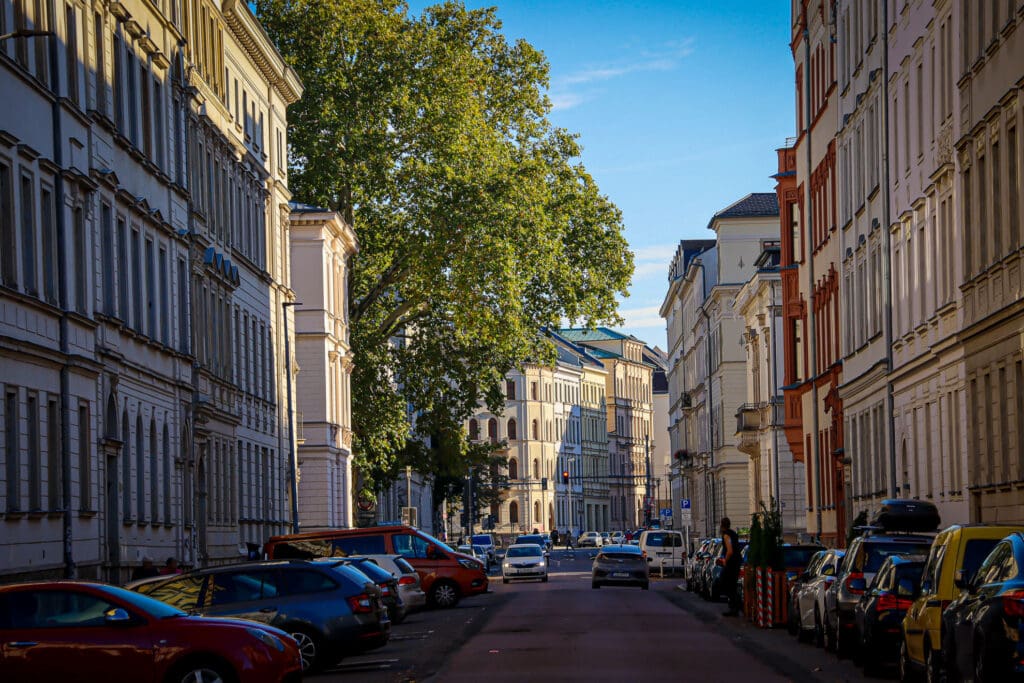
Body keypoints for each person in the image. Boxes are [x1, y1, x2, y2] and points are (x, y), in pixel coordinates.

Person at [719, 517, 741, 616]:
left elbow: (730, 550)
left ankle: (734, 606)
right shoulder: (733, 533)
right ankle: (734, 606)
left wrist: (725, 560)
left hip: (731, 563)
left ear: (722, 525)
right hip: (737, 561)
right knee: (732, 584)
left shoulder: (726, 535)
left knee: (725, 582)